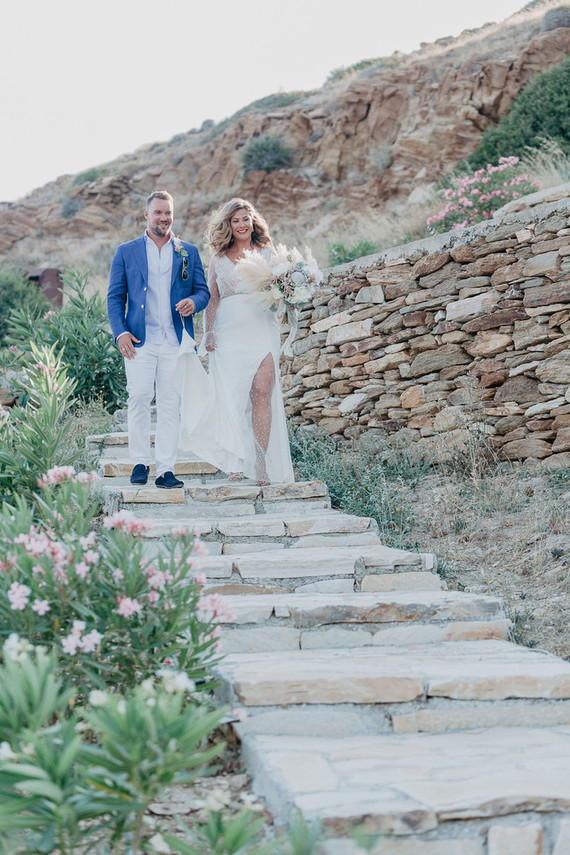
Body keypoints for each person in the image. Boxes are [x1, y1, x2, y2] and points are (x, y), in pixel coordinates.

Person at [178, 198, 294, 485]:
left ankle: (261, 462)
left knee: (261, 394)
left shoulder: (268, 254)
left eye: (246, 218)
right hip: (228, 331)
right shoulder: (218, 258)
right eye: (236, 220)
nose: (242, 224)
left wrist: (289, 291)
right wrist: (209, 333)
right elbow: (213, 298)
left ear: (253, 221)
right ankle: (236, 461)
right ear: (228, 224)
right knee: (232, 397)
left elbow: (281, 289)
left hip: (261, 329)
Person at [107, 190, 210, 488]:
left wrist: (195, 302)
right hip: (139, 340)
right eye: (158, 213)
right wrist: (120, 332)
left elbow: (203, 291)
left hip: (175, 341)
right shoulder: (126, 251)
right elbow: (115, 297)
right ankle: (140, 462)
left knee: (169, 403)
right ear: (147, 215)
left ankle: (166, 469)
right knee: (138, 397)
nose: (164, 218)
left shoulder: (188, 251)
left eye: (168, 213)